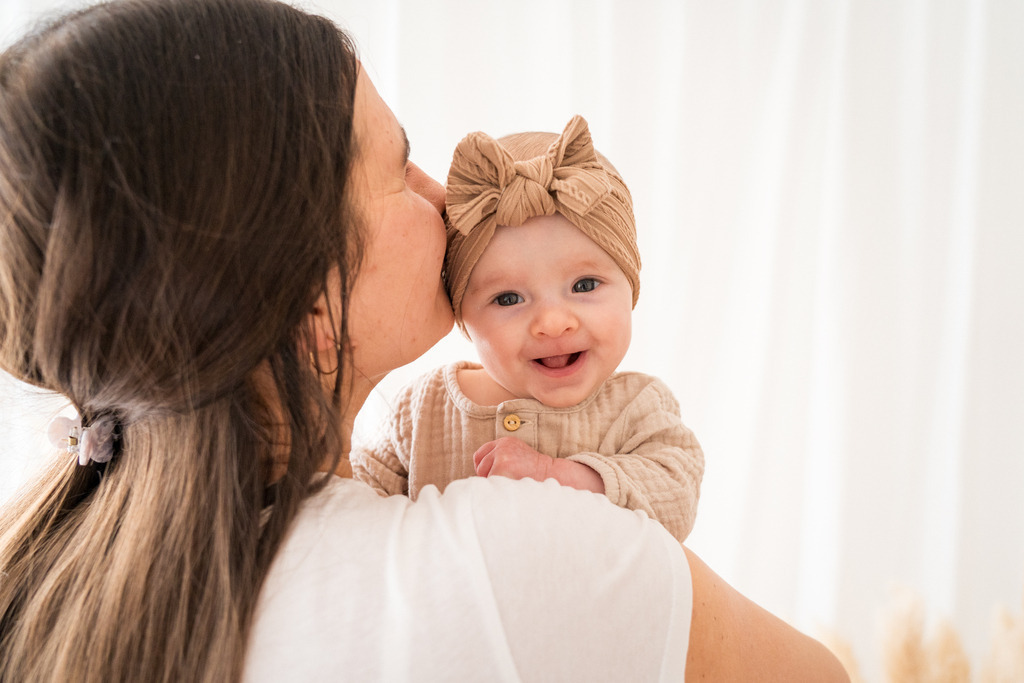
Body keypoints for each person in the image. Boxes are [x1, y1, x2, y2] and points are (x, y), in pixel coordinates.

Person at [0, 0, 849, 681]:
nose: (440, 194)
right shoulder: (517, 556)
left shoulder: (42, 587)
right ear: (312, 314)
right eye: (398, 169)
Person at [353, 116, 704, 543]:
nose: (554, 322)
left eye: (585, 285)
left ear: (631, 285)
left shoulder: (637, 407)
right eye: (508, 299)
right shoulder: (419, 412)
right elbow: (356, 517)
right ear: (462, 313)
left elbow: (675, 496)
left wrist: (557, 475)